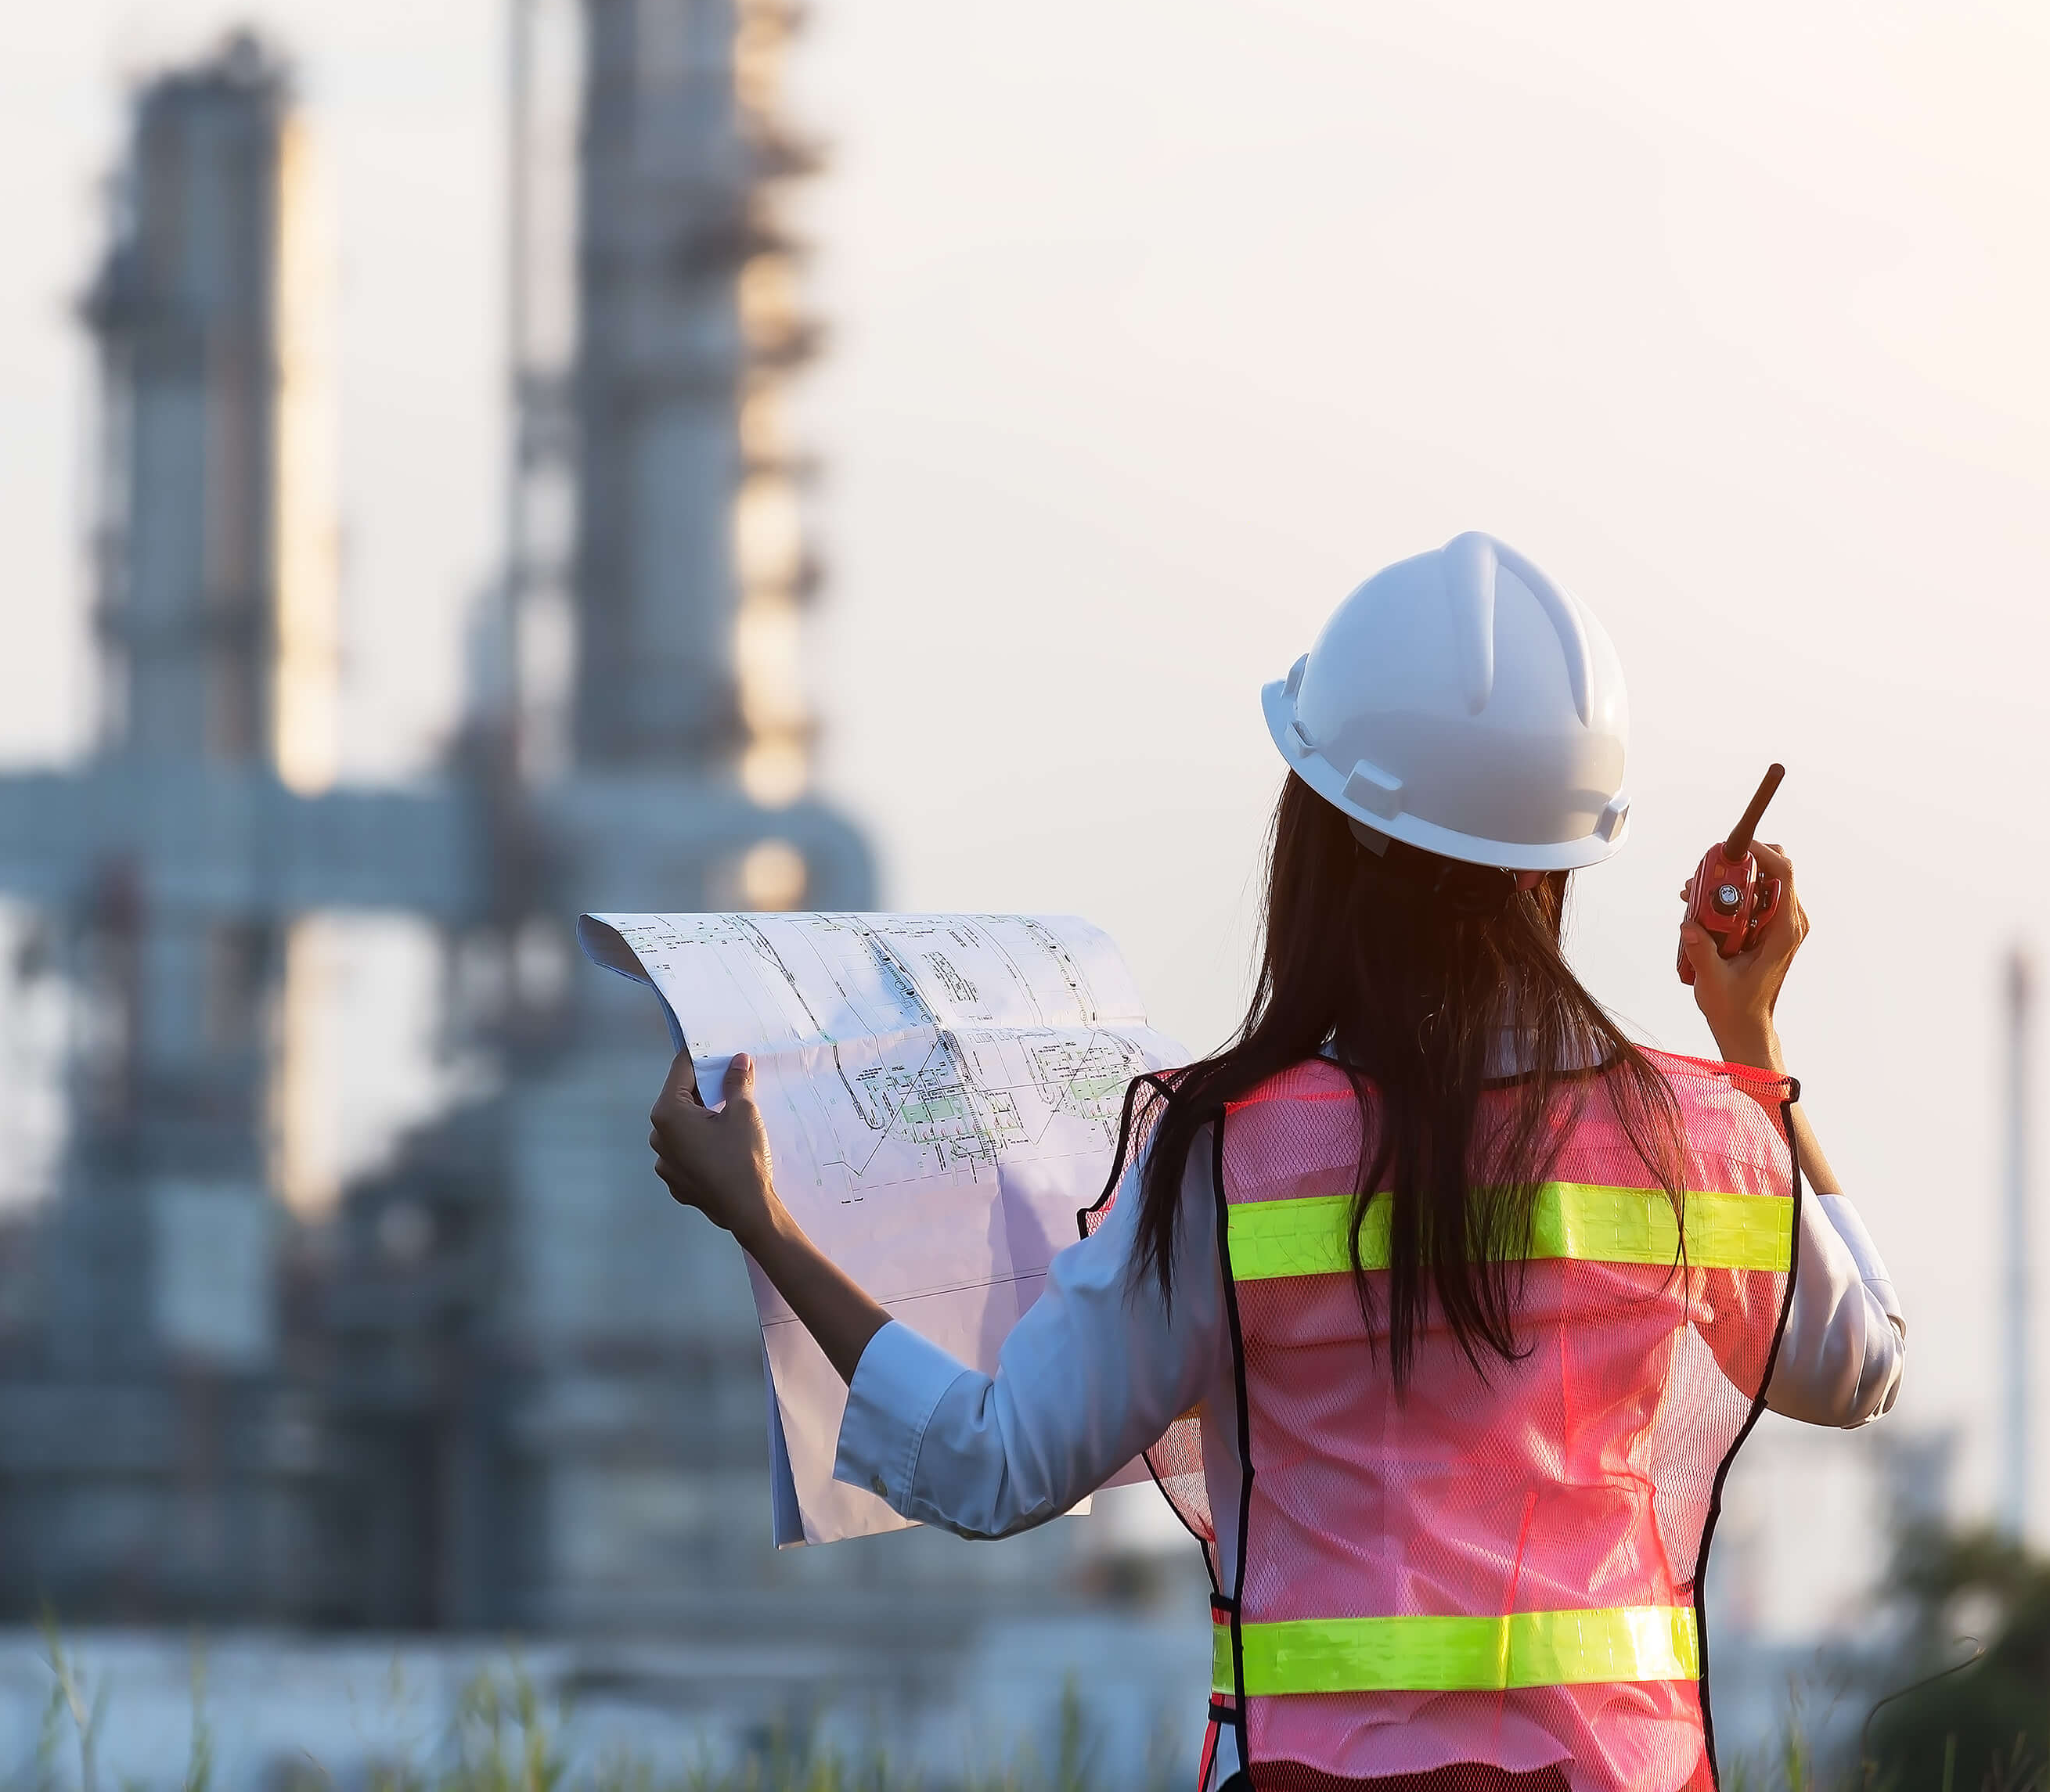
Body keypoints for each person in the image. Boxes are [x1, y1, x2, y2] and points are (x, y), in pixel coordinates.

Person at [644, 534, 1904, 1792]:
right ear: (1570, 856)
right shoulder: (1694, 1140)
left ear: (1333, 834)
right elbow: (1860, 1364)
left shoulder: (1231, 1158)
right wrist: (1749, 1035)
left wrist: (763, 1216)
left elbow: (990, 1462)